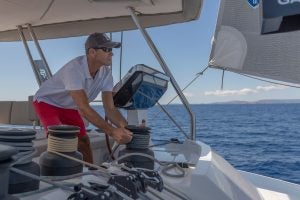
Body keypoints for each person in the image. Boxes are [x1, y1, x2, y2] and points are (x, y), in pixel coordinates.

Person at [33, 33, 133, 163]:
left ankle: (90, 173)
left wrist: (128, 128)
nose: (111, 54)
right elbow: (84, 108)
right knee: (60, 140)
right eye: (106, 49)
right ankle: (60, 178)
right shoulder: (74, 69)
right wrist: (112, 131)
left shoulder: (106, 73)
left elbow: (110, 108)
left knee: (84, 141)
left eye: (111, 50)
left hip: (69, 107)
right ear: (92, 52)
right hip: (47, 102)